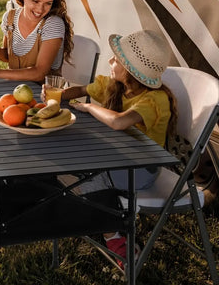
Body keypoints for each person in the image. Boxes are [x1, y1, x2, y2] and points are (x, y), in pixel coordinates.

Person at [55, 29, 178, 269]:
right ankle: (90, 214)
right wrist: (59, 95)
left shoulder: (155, 100)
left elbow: (118, 121)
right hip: (117, 159)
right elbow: (80, 90)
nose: (110, 61)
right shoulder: (115, 86)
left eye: (117, 59)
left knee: (89, 174)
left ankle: (115, 238)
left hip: (142, 169)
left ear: (131, 72)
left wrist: (89, 108)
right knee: (71, 165)